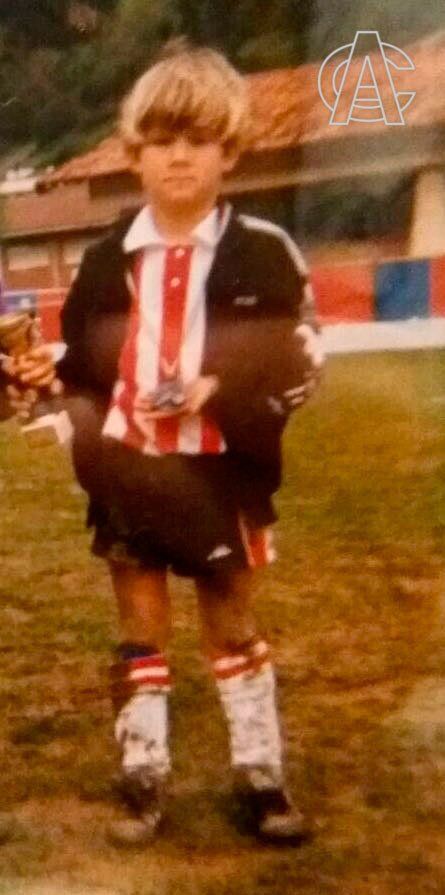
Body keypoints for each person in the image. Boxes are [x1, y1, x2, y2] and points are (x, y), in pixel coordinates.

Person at [4, 40, 324, 847]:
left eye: (199, 139)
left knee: (231, 624)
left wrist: (226, 387)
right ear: (135, 153)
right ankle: (142, 777)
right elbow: (84, 364)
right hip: (128, 467)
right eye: (162, 140)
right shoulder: (108, 257)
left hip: (224, 472)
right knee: (141, 626)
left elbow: (301, 353)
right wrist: (43, 372)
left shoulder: (262, 249)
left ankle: (260, 777)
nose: (180, 155)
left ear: (229, 150)